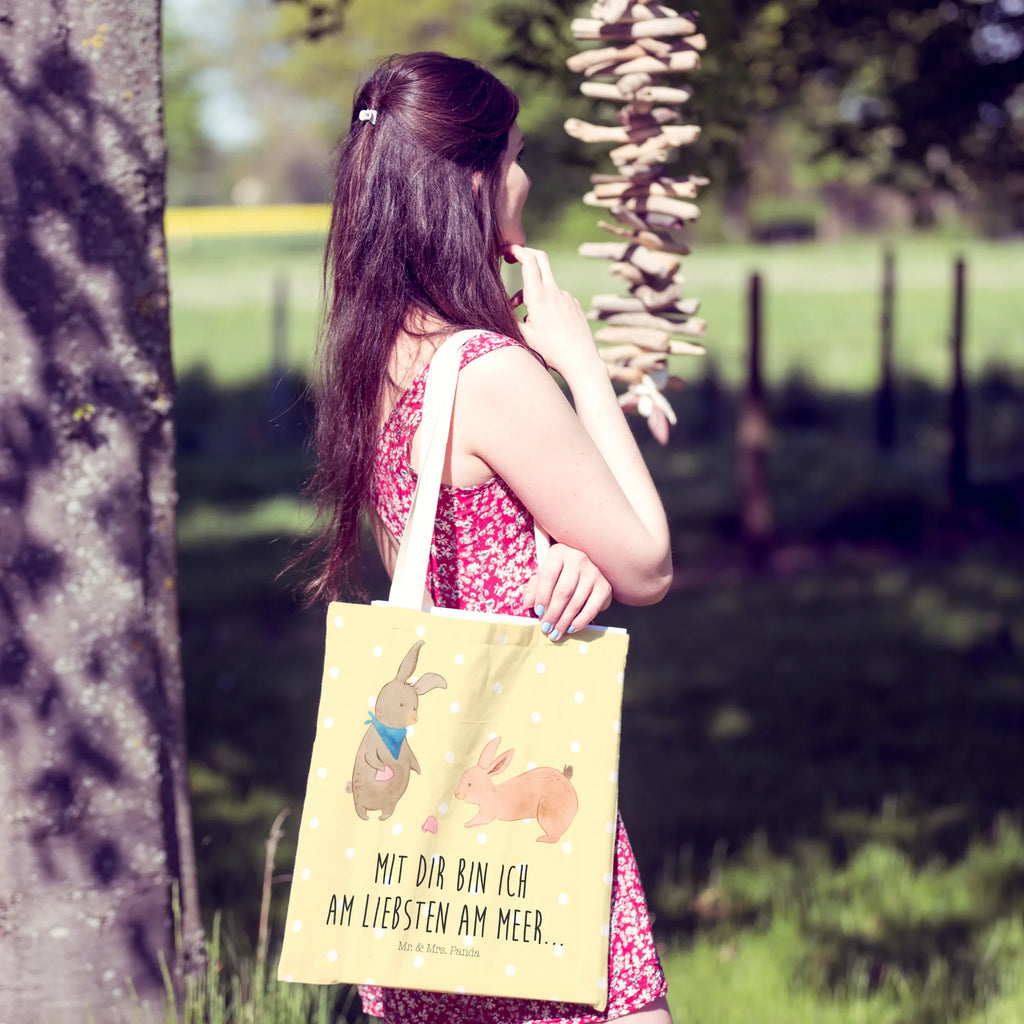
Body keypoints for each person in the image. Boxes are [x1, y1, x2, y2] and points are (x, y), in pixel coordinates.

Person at [304, 51, 674, 1024]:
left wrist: (558, 555)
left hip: (425, 866)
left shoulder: (377, 358)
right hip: (521, 839)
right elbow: (648, 560)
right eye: (512, 155)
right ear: (470, 181)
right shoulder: (491, 372)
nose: (524, 178)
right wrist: (581, 362)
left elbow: (433, 560)